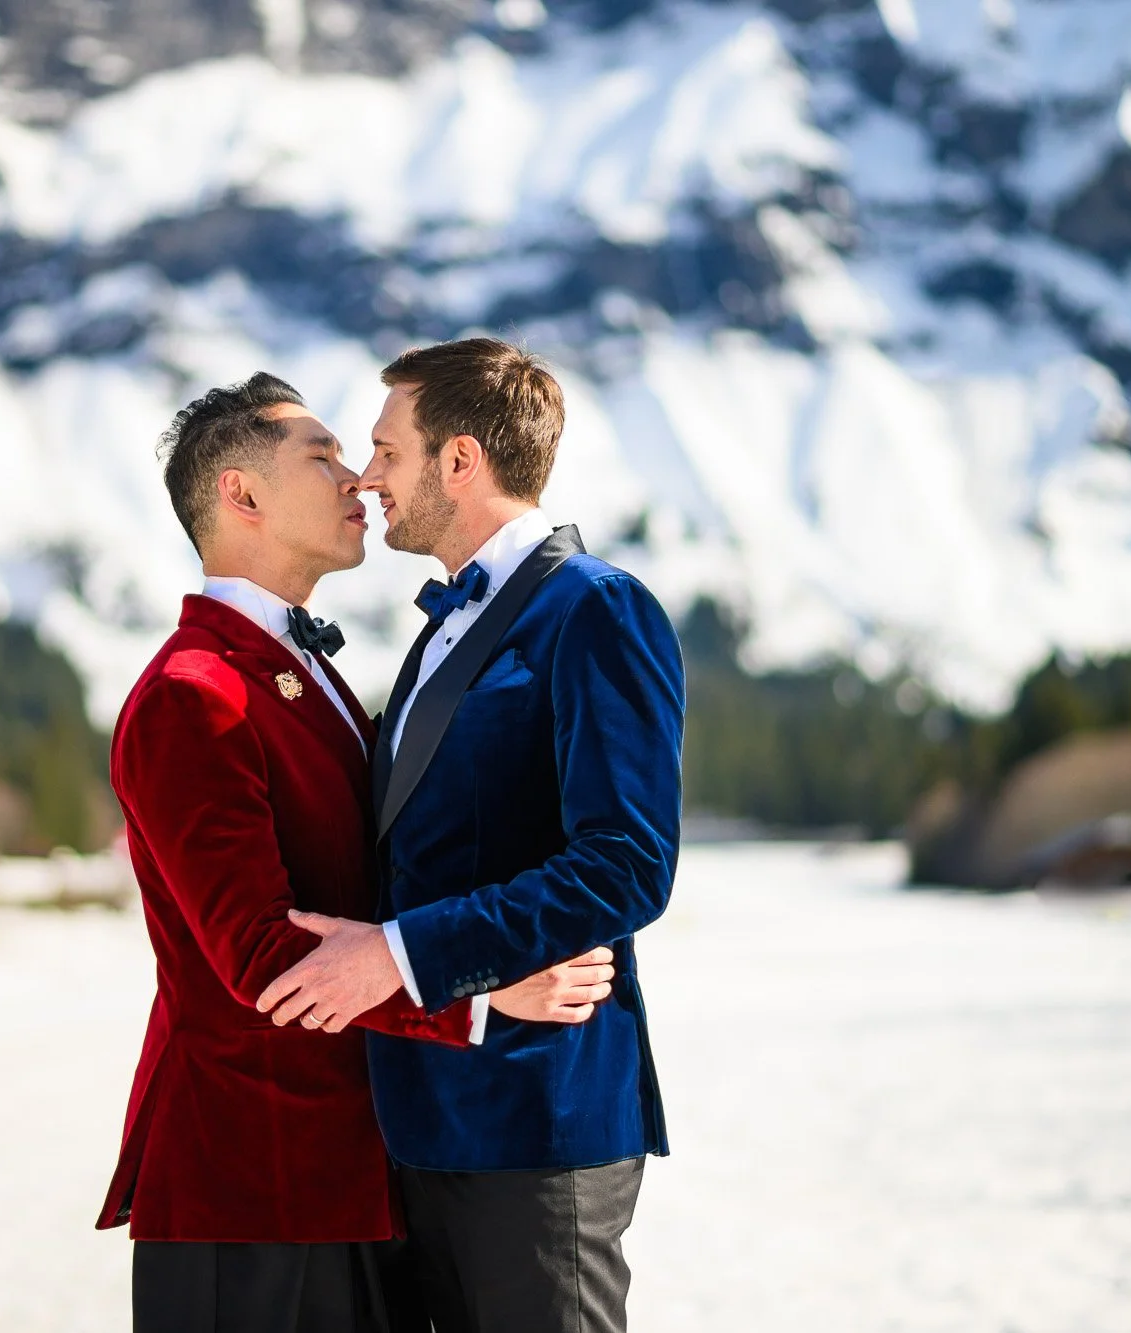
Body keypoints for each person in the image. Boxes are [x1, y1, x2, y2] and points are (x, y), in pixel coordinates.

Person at [98, 372, 618, 1333]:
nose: (358, 480)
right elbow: (262, 957)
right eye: (323, 456)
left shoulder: (307, 677)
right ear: (241, 495)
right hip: (250, 1192)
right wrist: (479, 994)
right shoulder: (191, 692)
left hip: (349, 1184)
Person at [255, 340, 685, 1333]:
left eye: (385, 450)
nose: (366, 477)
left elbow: (625, 862)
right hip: (418, 1124)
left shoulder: (597, 610)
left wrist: (403, 956)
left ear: (459, 461)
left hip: (540, 1119)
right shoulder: (440, 630)